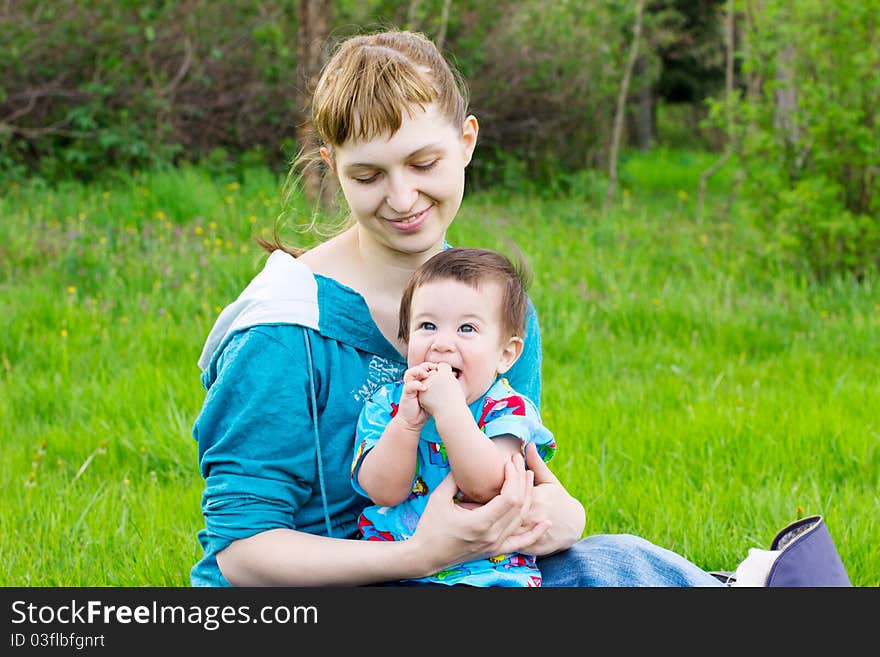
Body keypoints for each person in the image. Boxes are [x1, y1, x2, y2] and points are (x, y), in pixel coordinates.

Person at [190, 28, 724, 587]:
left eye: (424, 163)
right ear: (330, 166)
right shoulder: (281, 329)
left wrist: (563, 515)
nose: (401, 198)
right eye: (368, 176)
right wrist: (420, 556)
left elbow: (505, 466)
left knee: (623, 563)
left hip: (461, 572)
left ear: (467, 141)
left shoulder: (489, 312)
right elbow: (242, 555)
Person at [353, 247, 557, 586]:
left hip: (488, 575)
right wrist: (406, 425)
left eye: (467, 329)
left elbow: (486, 486)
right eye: (427, 326)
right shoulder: (388, 406)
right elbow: (383, 493)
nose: (442, 343)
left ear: (505, 354)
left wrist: (449, 410)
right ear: (406, 343)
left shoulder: (506, 409)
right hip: (395, 570)